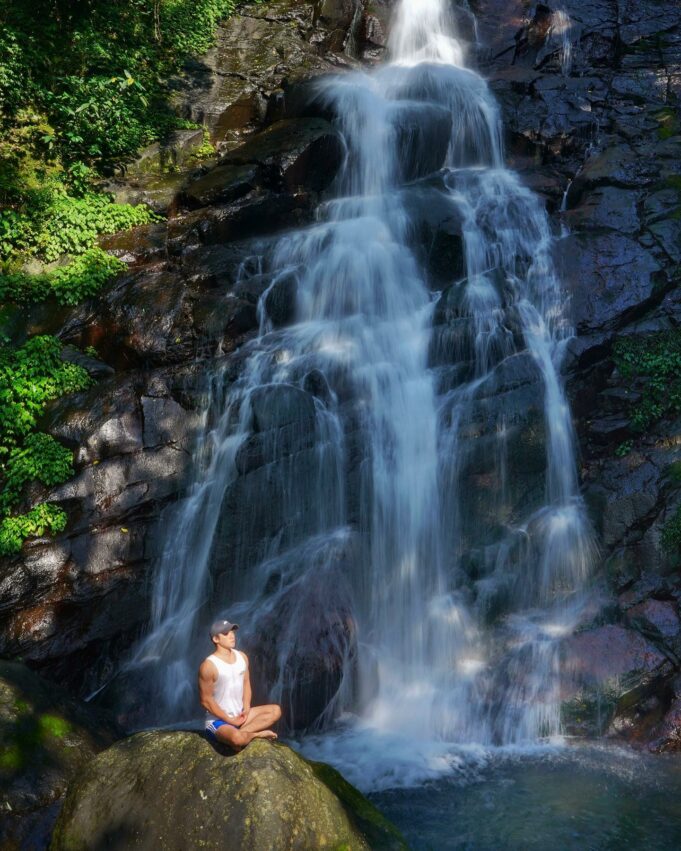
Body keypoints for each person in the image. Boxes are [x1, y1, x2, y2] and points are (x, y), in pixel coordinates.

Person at [198, 618, 281, 749]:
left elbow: (246, 684)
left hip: (240, 716)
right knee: (237, 739)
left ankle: (244, 734)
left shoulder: (242, 657)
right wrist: (229, 719)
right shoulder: (209, 666)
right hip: (218, 721)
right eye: (226, 634)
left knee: (275, 710)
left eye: (233, 632)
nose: (232, 636)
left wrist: (247, 708)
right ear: (216, 639)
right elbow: (205, 700)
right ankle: (255, 735)